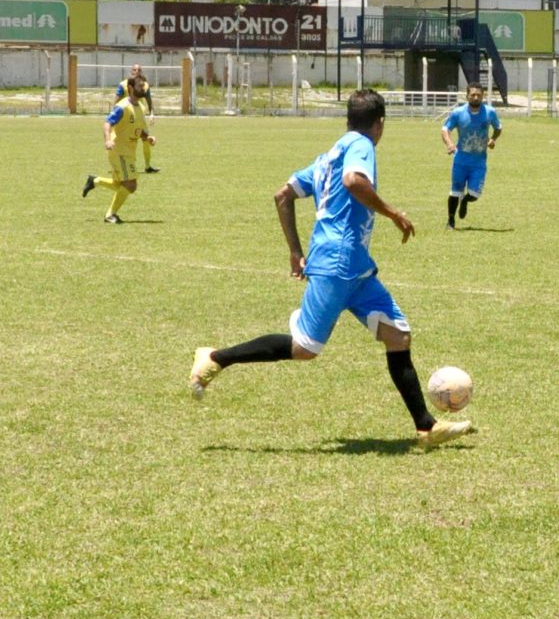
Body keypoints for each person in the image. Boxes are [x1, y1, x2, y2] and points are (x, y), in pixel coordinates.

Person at [188, 88, 471, 447]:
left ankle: (426, 428)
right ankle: (214, 358)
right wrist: (393, 214)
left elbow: (283, 195)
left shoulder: (327, 157)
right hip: (337, 263)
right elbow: (355, 181)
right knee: (305, 348)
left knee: (397, 335)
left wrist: (295, 251)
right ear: (379, 123)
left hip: (357, 268)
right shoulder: (361, 146)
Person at [440, 83, 501, 227]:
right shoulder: (458, 113)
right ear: (467, 95)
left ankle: (465, 201)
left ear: (483, 96)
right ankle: (450, 221)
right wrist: (449, 143)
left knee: (475, 194)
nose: (475, 97)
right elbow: (445, 129)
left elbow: (498, 128)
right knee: (455, 191)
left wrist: (492, 139)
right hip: (460, 160)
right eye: (472, 94)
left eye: (479, 95)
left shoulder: (489, 112)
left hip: (479, 163)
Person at [83, 81, 144, 222]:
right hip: (119, 150)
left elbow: (139, 129)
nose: (143, 88)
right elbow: (107, 123)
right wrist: (108, 140)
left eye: (143, 86)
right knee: (131, 185)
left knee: (122, 185)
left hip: (129, 151)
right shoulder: (122, 106)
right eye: (139, 86)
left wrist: (148, 138)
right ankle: (110, 215)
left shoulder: (140, 107)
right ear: (130, 88)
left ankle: (95, 181)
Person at [128, 69, 159, 172]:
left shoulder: (144, 86)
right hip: (128, 113)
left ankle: (147, 166)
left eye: (138, 70)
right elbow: (118, 98)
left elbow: (149, 100)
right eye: (134, 70)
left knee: (144, 139)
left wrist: (152, 114)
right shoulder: (125, 84)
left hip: (139, 114)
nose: (136, 71)